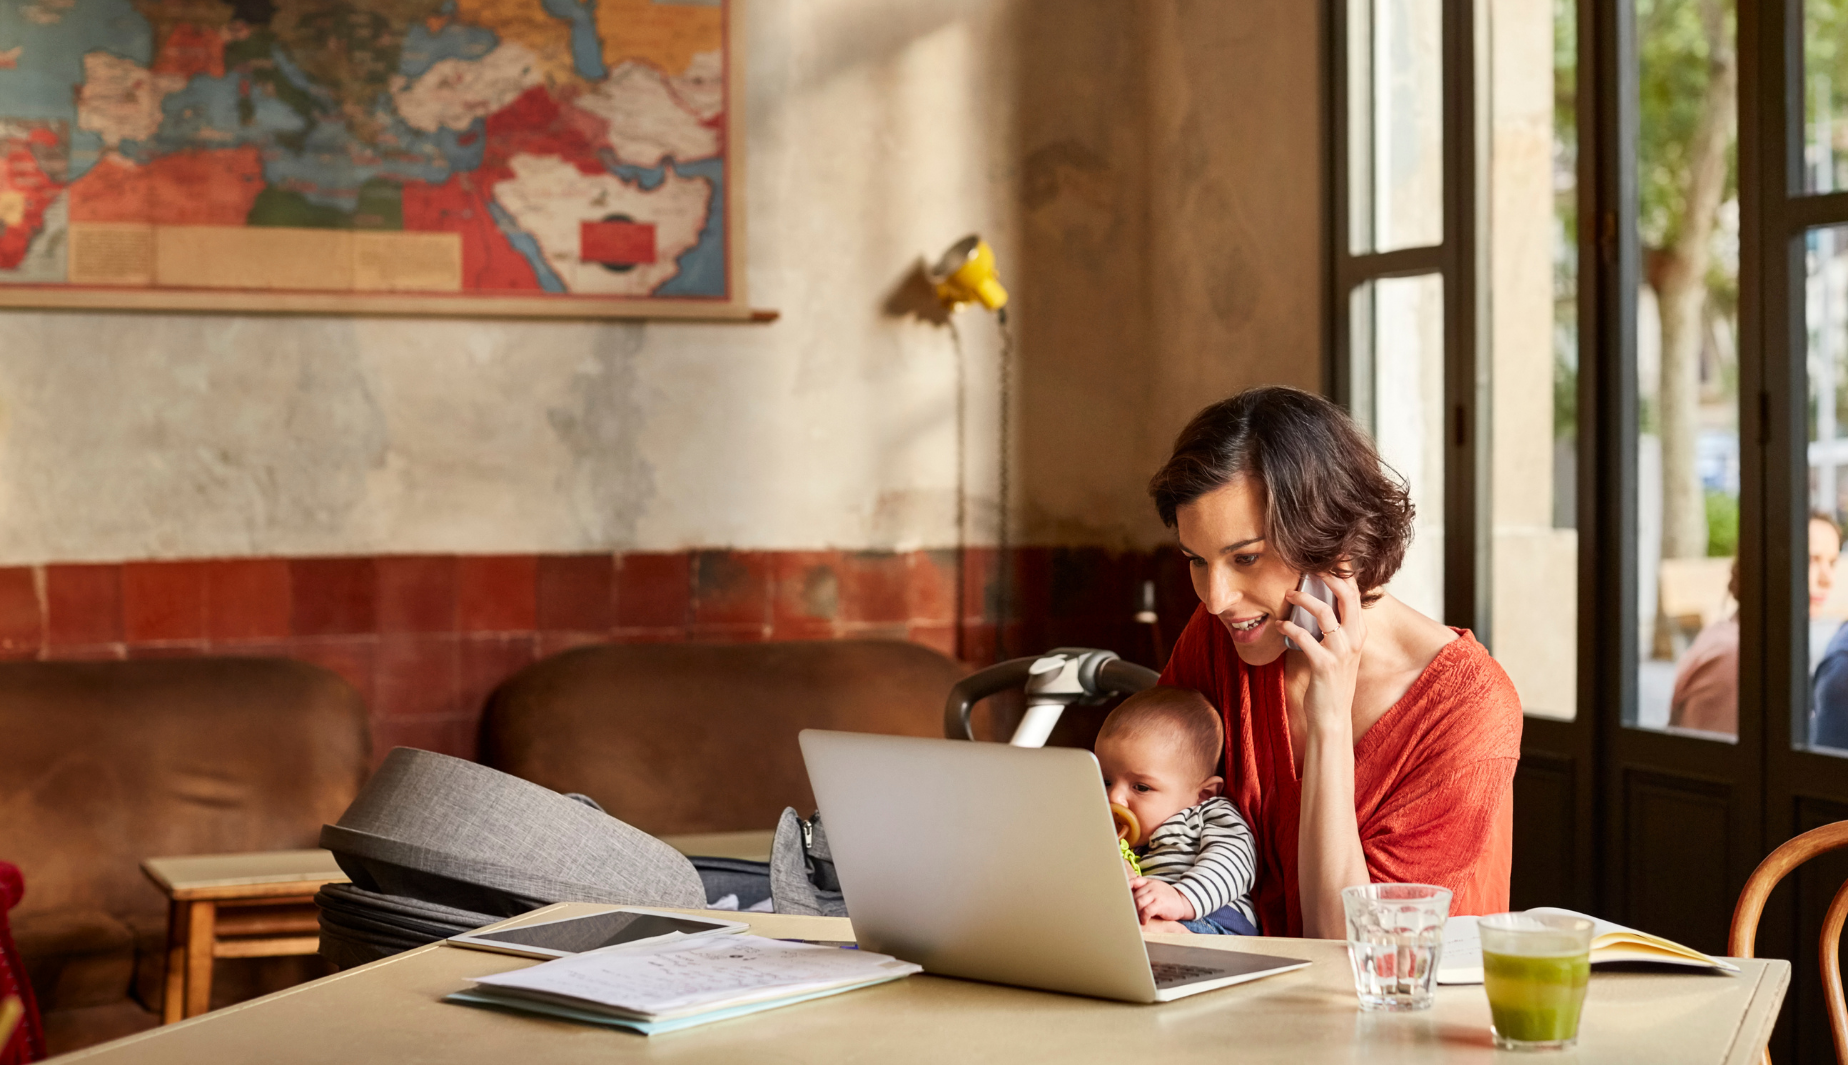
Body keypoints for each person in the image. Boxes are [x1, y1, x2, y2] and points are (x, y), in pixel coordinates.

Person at [1148, 386, 1523, 939]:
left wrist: (1328, 720)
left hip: (1399, 1017)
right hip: (1239, 1006)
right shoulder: (1218, 637)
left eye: (1246, 558)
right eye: (1197, 562)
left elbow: (1349, 950)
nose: (1216, 598)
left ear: (1333, 542)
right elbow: (1147, 832)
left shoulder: (1467, 707)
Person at [1094, 686, 1259, 936]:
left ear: (1202, 794)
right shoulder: (1106, 833)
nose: (1114, 798)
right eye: (1105, 781)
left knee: (1137, 933)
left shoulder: (1206, 814)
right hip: (1140, 922)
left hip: (1211, 922)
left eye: (1141, 787)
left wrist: (1181, 898)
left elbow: (1234, 860)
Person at [1672, 512, 1840, 737]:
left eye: (1832, 563)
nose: (1827, 579)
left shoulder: (1759, 644)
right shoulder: (1737, 658)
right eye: (1810, 560)